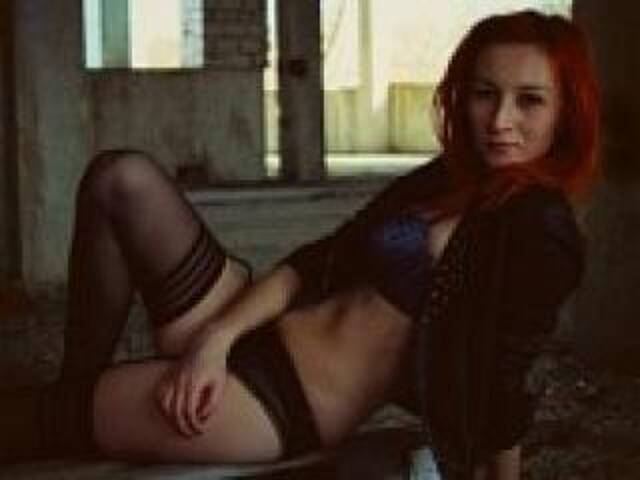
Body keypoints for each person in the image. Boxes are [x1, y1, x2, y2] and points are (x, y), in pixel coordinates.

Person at [0, 9, 599, 480]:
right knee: (119, 178)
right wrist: (217, 337)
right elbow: (320, 260)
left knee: (23, 421)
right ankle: (79, 386)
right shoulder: (452, 178)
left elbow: (502, 391)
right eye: (485, 93)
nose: (499, 120)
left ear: (565, 113)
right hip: (250, 327)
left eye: (529, 100)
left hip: (278, 402)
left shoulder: (538, 229)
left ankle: (74, 408)